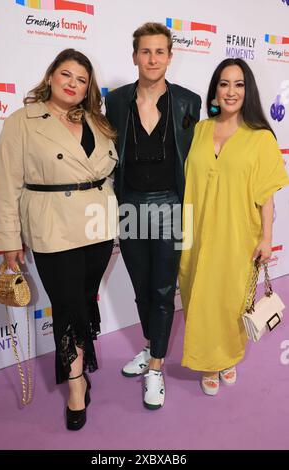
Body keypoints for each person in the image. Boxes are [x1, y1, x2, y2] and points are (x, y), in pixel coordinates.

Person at [0, 48, 118, 429]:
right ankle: (76, 383)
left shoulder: (98, 121)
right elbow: (5, 185)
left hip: (98, 227)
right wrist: (9, 238)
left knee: (82, 300)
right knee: (66, 307)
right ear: (50, 77)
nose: (72, 84)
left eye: (81, 80)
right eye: (66, 75)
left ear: (88, 88)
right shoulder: (23, 122)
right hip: (52, 227)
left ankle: (81, 363)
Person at [179, 58, 289, 396]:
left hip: (237, 234)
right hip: (195, 233)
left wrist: (267, 238)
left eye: (239, 84)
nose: (231, 91)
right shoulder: (200, 130)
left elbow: (267, 197)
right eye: (224, 84)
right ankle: (207, 359)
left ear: (248, 90)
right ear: (215, 90)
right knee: (197, 296)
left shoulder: (260, 138)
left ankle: (226, 358)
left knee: (229, 300)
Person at [105, 22, 201, 409]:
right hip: (129, 204)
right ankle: (151, 347)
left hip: (170, 206)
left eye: (160, 51)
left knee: (163, 290)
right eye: (146, 51)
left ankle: (156, 367)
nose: (153, 58)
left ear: (170, 57)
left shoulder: (188, 102)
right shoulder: (116, 102)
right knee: (142, 288)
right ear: (134, 56)